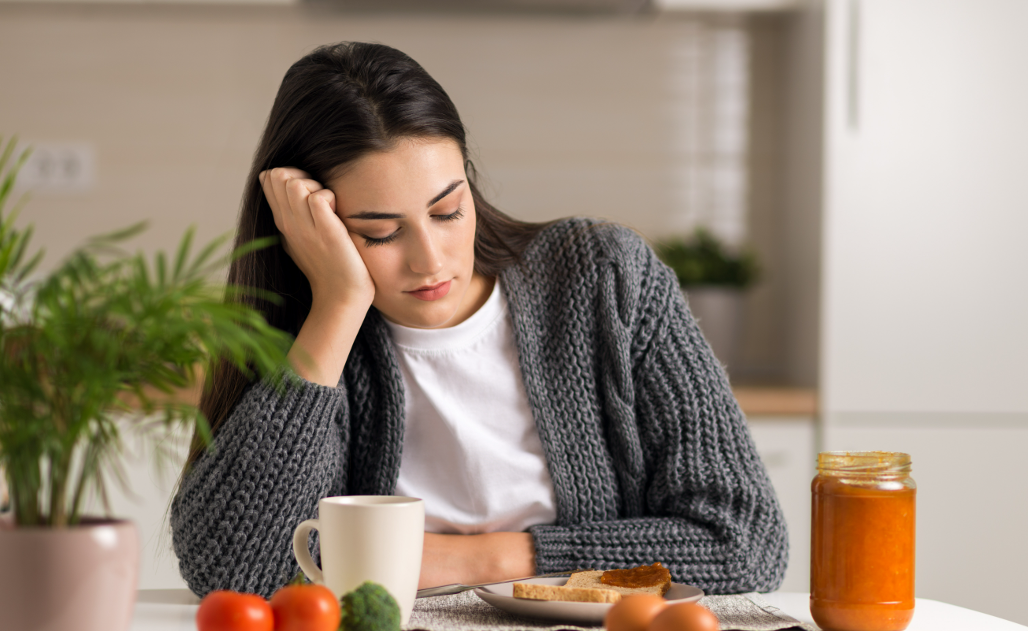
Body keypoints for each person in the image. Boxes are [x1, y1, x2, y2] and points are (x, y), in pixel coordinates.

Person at [170, 41, 788, 599]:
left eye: (448, 210)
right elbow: (237, 574)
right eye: (379, 233)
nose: (431, 260)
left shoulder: (605, 280)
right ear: (314, 232)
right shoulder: (307, 334)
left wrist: (473, 558)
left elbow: (743, 544)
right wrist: (336, 305)